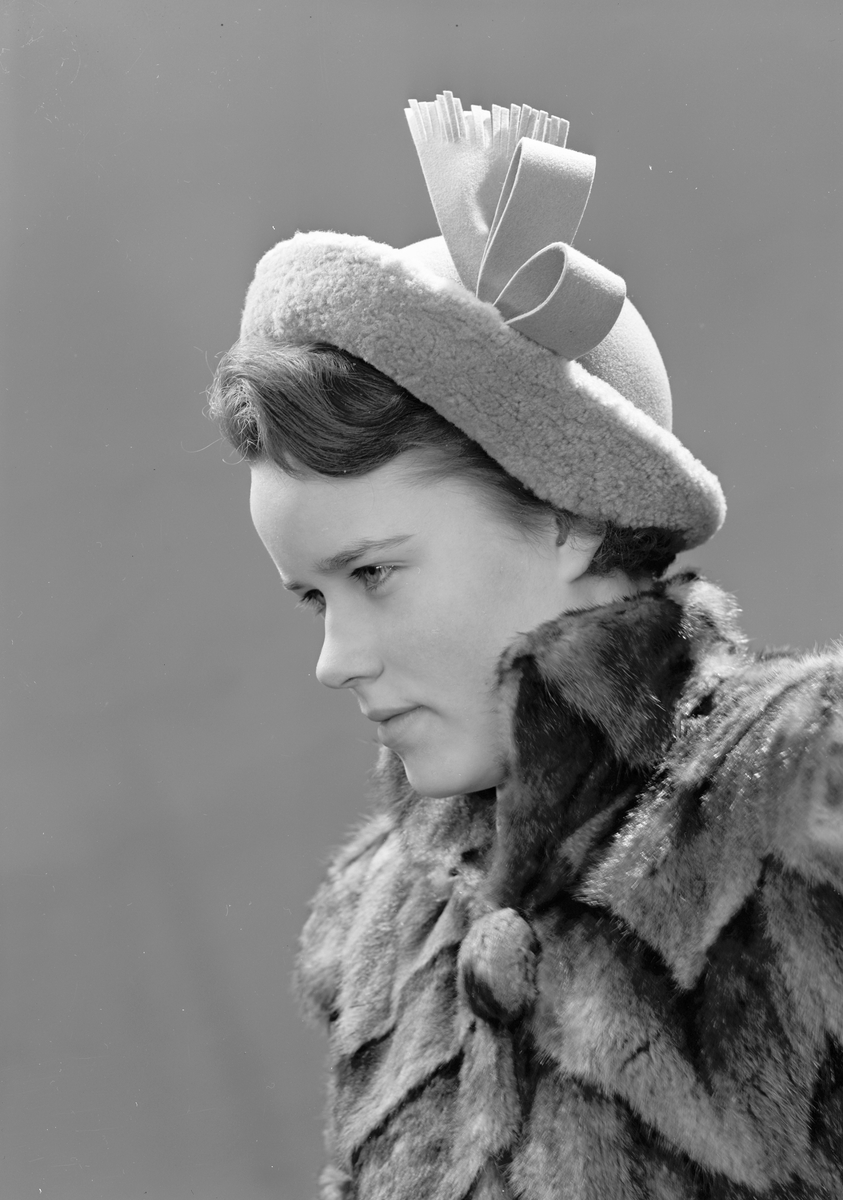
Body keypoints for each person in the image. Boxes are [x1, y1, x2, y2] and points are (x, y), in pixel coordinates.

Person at [208, 94, 843, 1200]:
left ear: (569, 513)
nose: (336, 658)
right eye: (314, 599)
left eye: (372, 573)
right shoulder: (379, 926)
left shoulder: (807, 796)